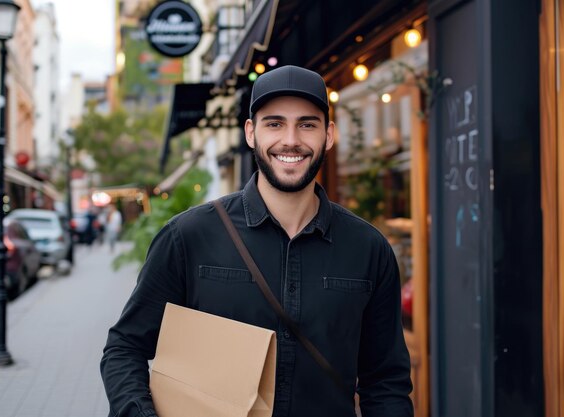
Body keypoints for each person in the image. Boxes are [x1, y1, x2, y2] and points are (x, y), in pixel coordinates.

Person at [100, 65, 413, 417]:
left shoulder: (368, 249)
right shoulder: (188, 237)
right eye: (274, 123)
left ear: (329, 135)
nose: (291, 139)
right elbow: (125, 347)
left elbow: (386, 382)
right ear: (251, 133)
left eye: (307, 124)